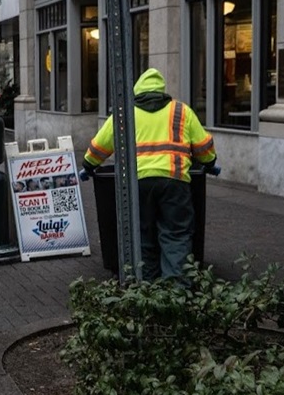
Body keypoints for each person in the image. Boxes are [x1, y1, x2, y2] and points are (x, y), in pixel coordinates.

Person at [83, 68, 217, 281]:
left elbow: (99, 146)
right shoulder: (181, 111)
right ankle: (177, 290)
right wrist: (210, 162)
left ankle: (148, 287)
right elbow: (203, 146)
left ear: (138, 90)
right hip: (175, 181)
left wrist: (88, 165)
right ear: (162, 90)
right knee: (176, 235)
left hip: (137, 184)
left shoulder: (124, 113)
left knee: (142, 235)